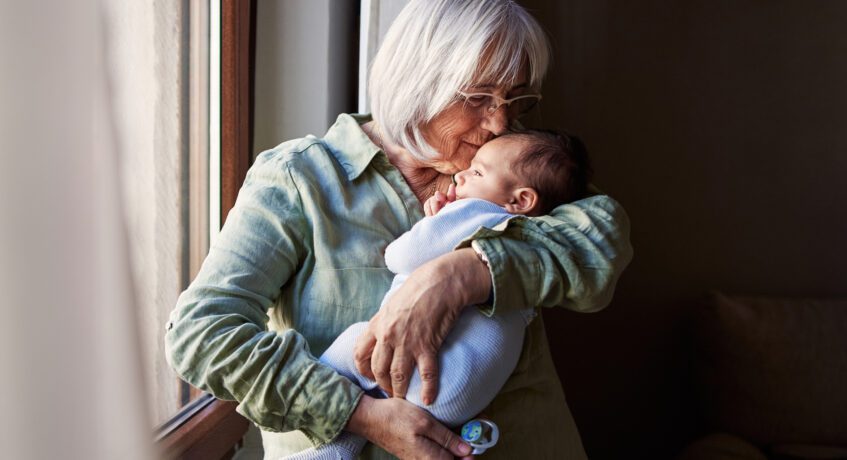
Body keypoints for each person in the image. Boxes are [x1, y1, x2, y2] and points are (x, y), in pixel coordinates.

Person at [165, 1, 633, 458]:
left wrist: (464, 273)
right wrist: (358, 413)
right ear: (418, 80)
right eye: (478, 97)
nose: (500, 121)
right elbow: (201, 334)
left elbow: (602, 239)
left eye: (514, 97)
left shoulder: (508, 165)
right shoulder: (300, 180)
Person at [292, 130, 591, 459]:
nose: (461, 175)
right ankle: (334, 453)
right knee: (377, 400)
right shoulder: (530, 233)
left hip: (434, 375)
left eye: (477, 172)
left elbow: (401, 256)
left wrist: (434, 221)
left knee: (357, 345)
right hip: (464, 396)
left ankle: (326, 439)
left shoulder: (479, 213)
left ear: (520, 201)